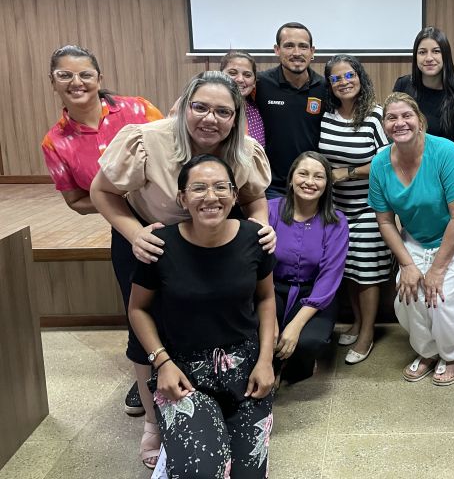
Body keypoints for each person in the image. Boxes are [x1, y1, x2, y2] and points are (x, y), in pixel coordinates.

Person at [90, 71, 274, 469]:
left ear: (236, 117)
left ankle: (213, 391)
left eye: (223, 112)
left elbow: (254, 198)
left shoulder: (244, 149)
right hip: (148, 238)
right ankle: (153, 421)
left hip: (212, 240)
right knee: (145, 323)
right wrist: (136, 235)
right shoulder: (146, 140)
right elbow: (100, 191)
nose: (211, 119)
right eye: (200, 107)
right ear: (185, 106)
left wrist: (260, 229)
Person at [128, 154, 277, 478]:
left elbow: (266, 299)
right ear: (182, 198)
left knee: (248, 474)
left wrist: (266, 361)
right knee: (203, 472)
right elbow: (138, 309)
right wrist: (162, 363)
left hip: (246, 368)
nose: (211, 196)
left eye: (221, 187)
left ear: (234, 195)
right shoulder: (160, 245)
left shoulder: (256, 238)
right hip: (182, 372)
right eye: (199, 188)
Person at [41, 44, 163, 419]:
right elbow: (76, 201)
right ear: (53, 82)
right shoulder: (55, 142)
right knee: (136, 302)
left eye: (85, 74)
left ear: (99, 78)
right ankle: (146, 374)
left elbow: (174, 150)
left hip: (169, 217)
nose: (76, 82)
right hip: (124, 227)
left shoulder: (138, 110)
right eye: (65, 75)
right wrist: (114, 197)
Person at [368, 92, 454, 386]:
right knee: (407, 295)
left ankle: (450, 355)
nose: (399, 123)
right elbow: (385, 221)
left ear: (420, 121)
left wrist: (437, 269)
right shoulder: (380, 164)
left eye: (406, 116)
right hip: (419, 235)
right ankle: (428, 352)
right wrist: (407, 265)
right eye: (391, 118)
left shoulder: (445, 152)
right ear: (384, 126)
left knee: (441, 299)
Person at [318, 55, 392, 364]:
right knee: (347, 267)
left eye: (349, 75)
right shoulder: (325, 115)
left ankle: (368, 332)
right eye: (336, 78)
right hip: (335, 207)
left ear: (360, 77)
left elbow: (387, 159)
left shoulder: (375, 116)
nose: (344, 82)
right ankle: (358, 321)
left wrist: (347, 173)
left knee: (366, 269)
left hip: (370, 206)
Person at [269, 152, 349, 383]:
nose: (310, 182)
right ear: (291, 179)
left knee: (307, 341)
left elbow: (329, 277)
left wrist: (296, 325)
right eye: (303, 174)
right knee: (262, 332)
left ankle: (297, 367)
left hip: (315, 294)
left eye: (319, 177)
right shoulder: (269, 210)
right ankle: (270, 366)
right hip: (271, 289)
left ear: (327, 184)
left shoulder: (336, 222)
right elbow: (258, 266)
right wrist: (270, 320)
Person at [255, 22, 327, 197]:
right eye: (289, 46)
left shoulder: (324, 87)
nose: (296, 53)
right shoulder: (260, 84)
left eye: (303, 46)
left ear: (312, 51)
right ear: (277, 50)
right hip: (270, 185)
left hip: (311, 183)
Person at [393, 26, 454, 167]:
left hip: (443, 166)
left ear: (445, 55)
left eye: (436, 51)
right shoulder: (403, 85)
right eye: (422, 52)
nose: (429, 58)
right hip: (406, 164)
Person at [221, 50, 265, 147]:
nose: (240, 79)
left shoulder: (258, 111)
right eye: (232, 73)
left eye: (247, 75)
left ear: (254, 82)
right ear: (220, 76)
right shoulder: (208, 109)